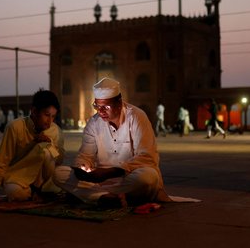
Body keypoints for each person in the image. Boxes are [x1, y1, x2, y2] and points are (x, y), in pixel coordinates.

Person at [53, 78, 170, 207]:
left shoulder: (137, 117)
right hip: (100, 180)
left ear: (119, 103)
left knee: (148, 177)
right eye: (97, 106)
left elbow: (146, 157)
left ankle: (92, 195)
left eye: (106, 107)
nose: (100, 111)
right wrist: (83, 167)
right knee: (59, 173)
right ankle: (107, 197)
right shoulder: (93, 123)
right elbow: (85, 155)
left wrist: (111, 172)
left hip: (128, 178)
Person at [0, 89, 64, 202]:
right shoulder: (15, 127)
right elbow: (2, 161)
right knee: (16, 194)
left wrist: (51, 144)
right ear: (34, 111)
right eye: (47, 115)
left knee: (48, 150)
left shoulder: (55, 130)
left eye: (53, 116)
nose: (49, 121)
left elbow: (59, 160)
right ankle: (38, 193)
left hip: (43, 179)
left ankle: (42, 191)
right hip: (19, 175)